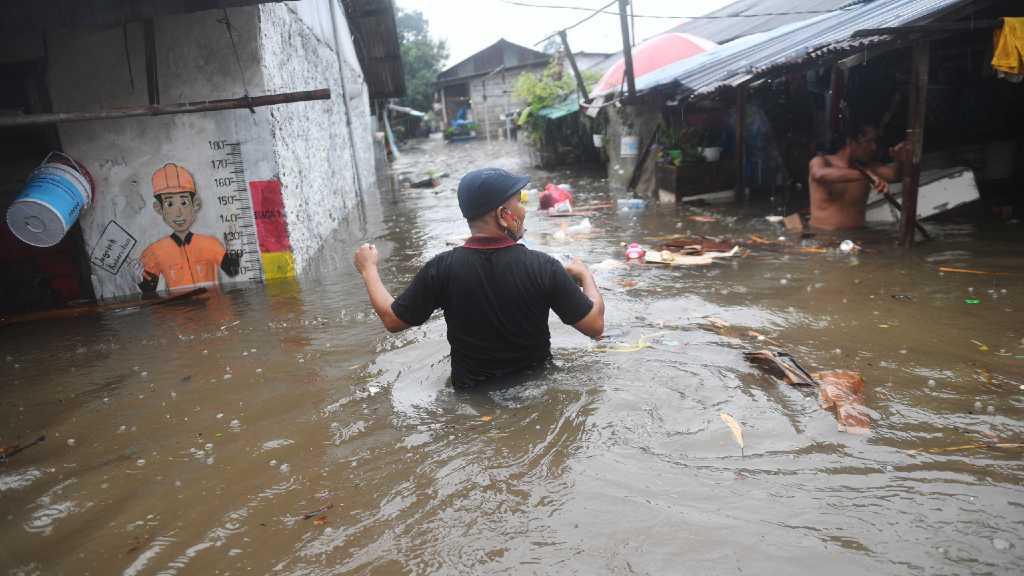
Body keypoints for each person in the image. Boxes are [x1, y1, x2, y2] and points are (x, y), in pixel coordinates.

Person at [353, 167, 604, 388]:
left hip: (470, 397)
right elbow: (594, 326)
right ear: (504, 214)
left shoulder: (441, 269)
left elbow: (393, 320)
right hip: (536, 389)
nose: (524, 210)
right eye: (520, 201)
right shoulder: (543, 267)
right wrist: (586, 275)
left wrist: (369, 270)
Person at [136, 163, 241, 293]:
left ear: (195, 204)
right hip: (180, 311)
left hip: (213, 309)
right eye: (169, 204)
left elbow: (233, 270)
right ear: (159, 208)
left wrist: (234, 246)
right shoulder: (154, 252)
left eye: (184, 202)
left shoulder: (210, 244)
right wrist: (137, 277)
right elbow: (148, 289)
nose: (179, 212)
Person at [808, 118, 909, 230]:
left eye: (875, 142)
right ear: (851, 142)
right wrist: (866, 175)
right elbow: (819, 174)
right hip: (822, 239)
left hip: (858, 238)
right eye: (868, 141)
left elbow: (895, 175)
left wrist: (900, 161)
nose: (873, 147)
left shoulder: (870, 167)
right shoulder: (821, 161)